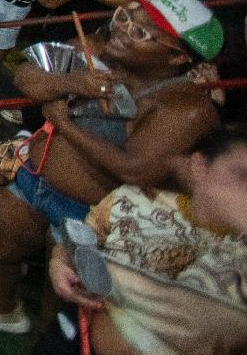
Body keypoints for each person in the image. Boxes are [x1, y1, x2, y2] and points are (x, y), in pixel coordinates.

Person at [0, 0, 224, 333]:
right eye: (125, 17)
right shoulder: (98, 50)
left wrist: (64, 124)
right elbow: (26, 74)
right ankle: (4, 310)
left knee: (61, 305)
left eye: (140, 33)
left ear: (177, 58)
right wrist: (71, 82)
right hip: (34, 179)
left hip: (91, 214)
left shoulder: (186, 107)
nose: (122, 30)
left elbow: (134, 170)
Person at [43, 124, 247, 355]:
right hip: (77, 337)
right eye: (241, 176)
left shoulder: (238, 250)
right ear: (199, 166)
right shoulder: (135, 198)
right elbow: (79, 240)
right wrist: (59, 262)